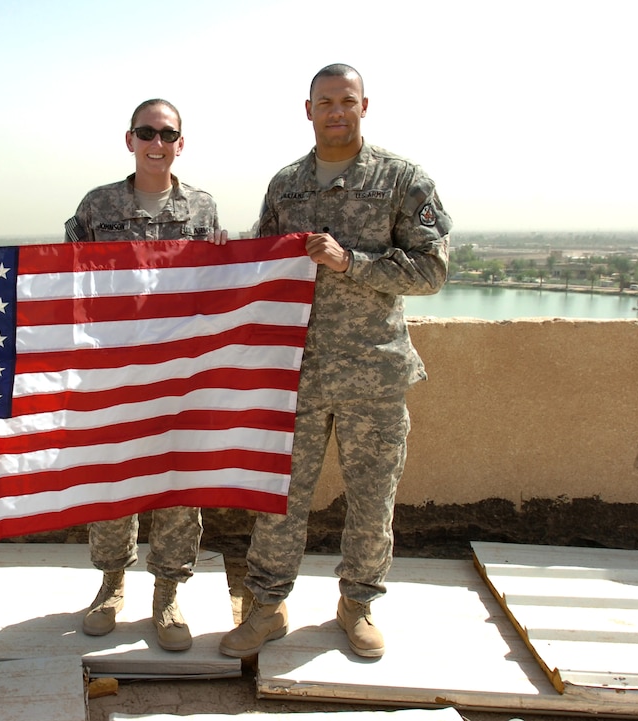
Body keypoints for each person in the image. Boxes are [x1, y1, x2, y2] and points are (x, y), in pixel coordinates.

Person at [218, 64, 450, 660]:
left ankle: (357, 605)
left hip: (372, 372)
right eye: (326, 102)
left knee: (372, 498)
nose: (336, 111)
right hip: (293, 374)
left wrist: (353, 263)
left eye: (347, 101)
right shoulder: (287, 186)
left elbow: (432, 271)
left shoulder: (402, 180)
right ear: (308, 109)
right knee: (279, 497)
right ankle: (266, 608)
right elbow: (260, 265)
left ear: (364, 106)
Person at [64, 98, 226, 651]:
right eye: (146, 133)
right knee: (113, 479)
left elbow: (222, 283)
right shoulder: (98, 206)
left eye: (167, 133)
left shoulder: (203, 209)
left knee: (179, 483)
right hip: (115, 372)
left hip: (182, 374)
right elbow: (67, 281)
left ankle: (167, 593)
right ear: (129, 139)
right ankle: (111, 584)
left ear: (181, 142)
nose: (157, 143)